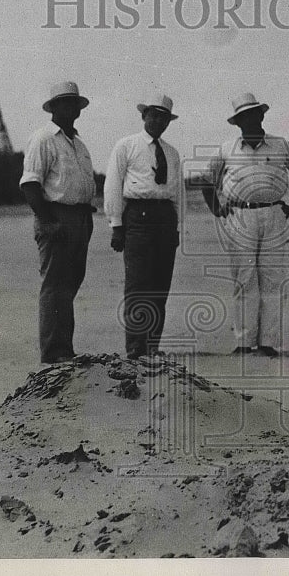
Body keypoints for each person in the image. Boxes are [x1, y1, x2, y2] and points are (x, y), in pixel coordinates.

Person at [202, 93, 289, 357]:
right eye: (243, 117)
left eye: (253, 114)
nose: (249, 120)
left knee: (272, 278)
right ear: (237, 122)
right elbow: (207, 180)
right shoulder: (227, 149)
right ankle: (243, 342)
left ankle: (268, 342)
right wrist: (218, 208)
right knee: (244, 279)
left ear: (261, 115)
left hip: (273, 215)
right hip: (240, 217)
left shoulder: (281, 145)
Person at [19, 81, 97, 364]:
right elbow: (30, 185)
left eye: (74, 103)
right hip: (56, 215)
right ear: (52, 108)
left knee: (70, 284)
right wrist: (48, 221)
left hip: (81, 217)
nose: (70, 108)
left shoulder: (78, 143)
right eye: (64, 103)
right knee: (55, 285)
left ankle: (64, 348)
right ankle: (54, 353)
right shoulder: (43, 139)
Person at [104, 95, 182, 360]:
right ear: (144, 115)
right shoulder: (126, 146)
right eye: (154, 115)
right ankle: (136, 348)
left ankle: (152, 346)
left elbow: (177, 193)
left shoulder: (171, 153)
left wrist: (177, 227)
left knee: (160, 286)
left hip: (165, 218)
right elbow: (113, 185)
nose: (158, 121)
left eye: (164, 117)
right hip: (138, 215)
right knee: (139, 285)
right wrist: (117, 224)